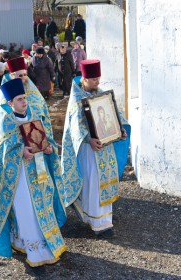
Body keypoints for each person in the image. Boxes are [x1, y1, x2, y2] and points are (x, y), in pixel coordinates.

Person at [0, 78, 67, 267]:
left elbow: (46, 139)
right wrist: (20, 152)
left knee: (43, 206)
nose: (24, 102)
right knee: (26, 210)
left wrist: (49, 148)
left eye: (24, 98)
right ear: (10, 103)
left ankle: (47, 245)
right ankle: (35, 253)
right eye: (19, 99)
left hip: (40, 173)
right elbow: (0, 150)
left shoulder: (34, 116)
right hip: (21, 176)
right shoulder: (6, 122)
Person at [61, 60, 130, 239]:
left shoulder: (102, 95)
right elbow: (74, 126)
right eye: (93, 79)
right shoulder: (76, 99)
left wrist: (120, 129)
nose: (97, 82)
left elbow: (115, 116)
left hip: (105, 148)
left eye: (98, 78)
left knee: (105, 179)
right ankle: (96, 221)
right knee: (93, 181)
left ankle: (105, 218)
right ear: (83, 78)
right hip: (88, 149)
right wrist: (88, 139)